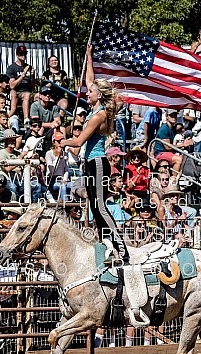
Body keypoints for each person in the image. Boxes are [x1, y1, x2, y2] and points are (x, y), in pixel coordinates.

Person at [60, 44, 129, 264]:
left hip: (98, 163)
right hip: (90, 164)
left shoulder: (98, 116)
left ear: (98, 96)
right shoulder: (95, 108)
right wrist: (89, 57)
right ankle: (106, 245)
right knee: (94, 206)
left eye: (90, 92)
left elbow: (78, 142)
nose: (86, 92)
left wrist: (63, 141)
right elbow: (90, 81)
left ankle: (120, 246)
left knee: (99, 205)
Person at [6, 45, 35, 127]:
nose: (23, 55)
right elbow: (12, 85)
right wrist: (23, 75)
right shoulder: (12, 68)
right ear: (17, 55)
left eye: (25, 53)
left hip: (28, 91)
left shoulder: (28, 66)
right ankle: (26, 119)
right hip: (17, 92)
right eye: (21, 53)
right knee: (26, 95)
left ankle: (36, 120)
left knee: (38, 96)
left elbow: (33, 86)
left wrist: (32, 75)